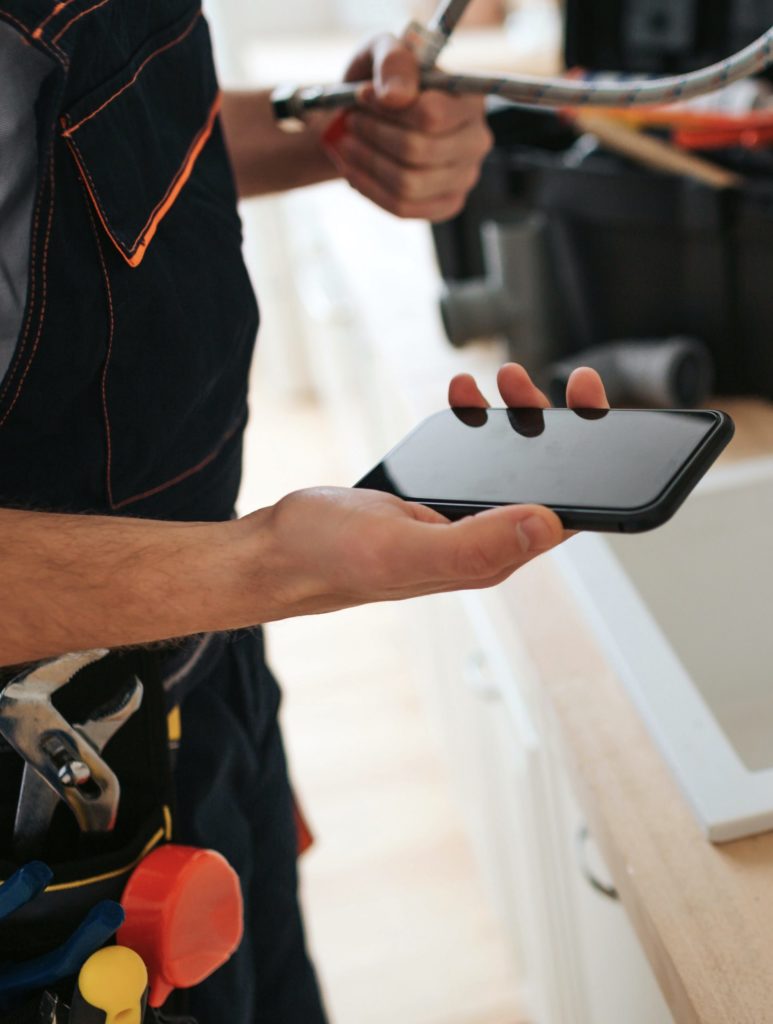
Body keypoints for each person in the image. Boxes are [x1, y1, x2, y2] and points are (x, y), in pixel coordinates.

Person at [0, 2, 608, 1020]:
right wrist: (268, 563)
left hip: (196, 685)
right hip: (47, 816)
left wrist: (328, 125)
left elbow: (72, 155)